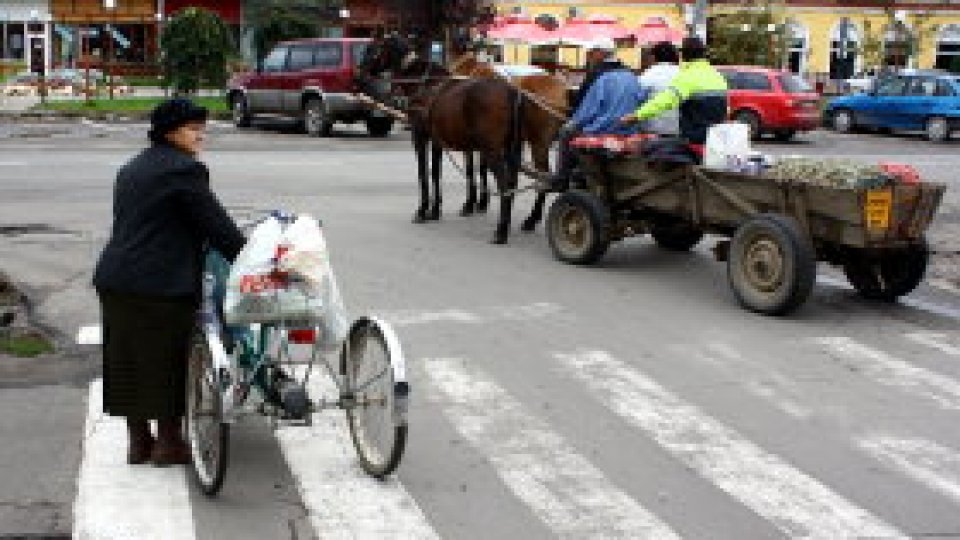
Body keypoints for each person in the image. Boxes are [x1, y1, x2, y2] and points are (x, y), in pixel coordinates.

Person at [93, 98, 246, 466]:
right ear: (170, 132)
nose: (201, 137)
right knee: (169, 361)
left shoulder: (131, 168)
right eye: (194, 129)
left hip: (116, 278)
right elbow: (217, 227)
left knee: (127, 360)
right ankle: (168, 444)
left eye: (202, 129)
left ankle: (138, 442)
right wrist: (250, 258)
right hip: (161, 284)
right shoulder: (184, 170)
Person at [547, 39, 644, 192]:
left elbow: (587, 111)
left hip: (604, 129)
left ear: (600, 53)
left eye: (590, 53)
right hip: (629, 129)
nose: (588, 56)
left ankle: (562, 178)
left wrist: (573, 121)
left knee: (566, 132)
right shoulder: (631, 75)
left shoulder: (599, 76)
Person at [621, 37, 727, 145]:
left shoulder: (688, 76)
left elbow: (666, 100)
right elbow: (725, 108)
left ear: (683, 54)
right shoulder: (717, 76)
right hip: (715, 139)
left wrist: (637, 115)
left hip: (695, 138)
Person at [637, 41, 681, 136]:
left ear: (654, 57)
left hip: (651, 130)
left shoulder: (647, 75)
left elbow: (637, 100)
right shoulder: (683, 74)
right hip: (679, 130)